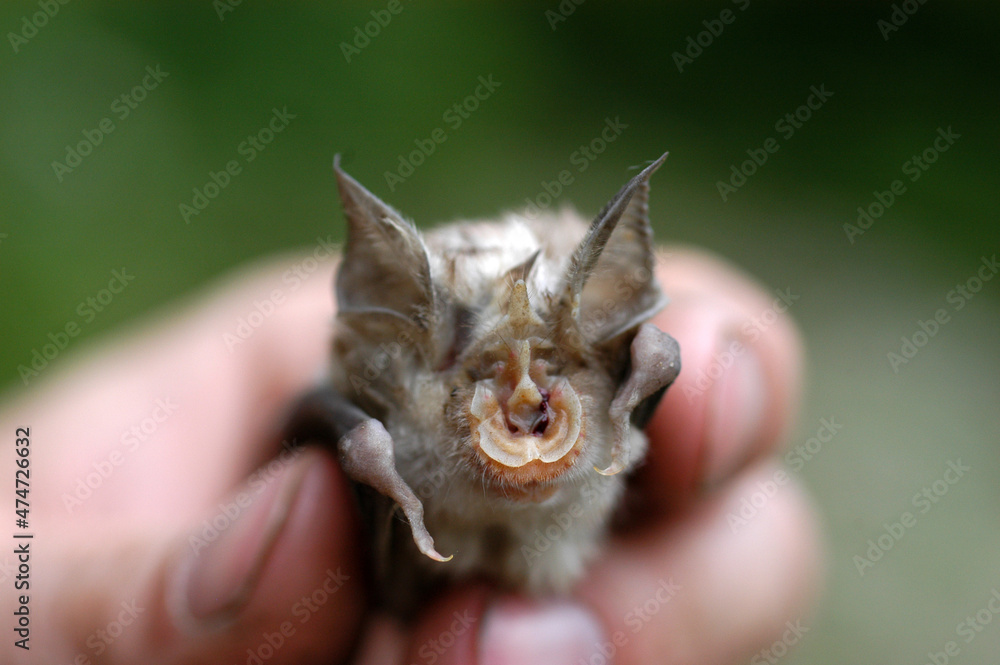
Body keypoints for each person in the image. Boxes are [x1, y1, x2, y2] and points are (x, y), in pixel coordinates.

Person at [0, 248, 820, 665]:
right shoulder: (384, 423)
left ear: (618, 372)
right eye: (484, 379)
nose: (527, 399)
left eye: (558, 372)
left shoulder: (637, 376)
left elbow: (666, 354)